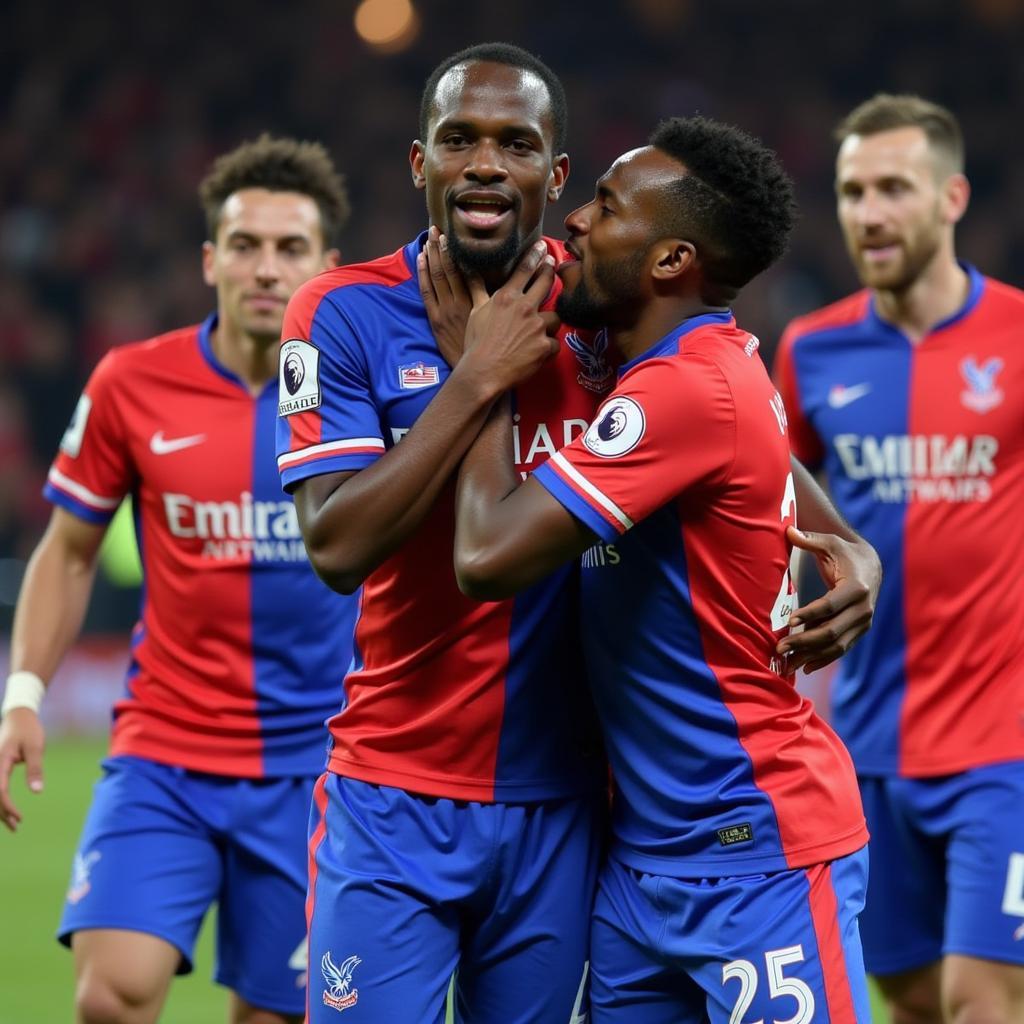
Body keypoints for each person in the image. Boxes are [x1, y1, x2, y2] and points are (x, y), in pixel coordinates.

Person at [278, 44, 879, 1023]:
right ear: (418, 162)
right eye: (458, 140)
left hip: (567, 804)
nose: (484, 164)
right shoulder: (342, 311)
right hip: (395, 785)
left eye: (514, 143)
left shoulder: (595, 300)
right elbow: (336, 548)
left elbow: (721, 415)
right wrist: (473, 380)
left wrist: (849, 540)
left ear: (553, 176)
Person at [445, 115, 874, 1021]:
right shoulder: (686, 365)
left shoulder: (685, 386)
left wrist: (479, 379)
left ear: (670, 262)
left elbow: (484, 557)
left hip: (760, 852)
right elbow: (754, 452)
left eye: (604, 206)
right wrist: (860, 549)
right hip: (641, 864)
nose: (574, 222)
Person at [0, 135, 354, 1024]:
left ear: (328, 266)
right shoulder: (132, 382)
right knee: (112, 996)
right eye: (245, 244)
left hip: (318, 763)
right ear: (210, 260)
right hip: (166, 749)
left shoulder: (365, 395)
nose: (266, 268)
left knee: (274, 1016)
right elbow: (69, 549)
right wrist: (23, 694)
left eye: (290, 248)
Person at [773, 94, 1024, 1024]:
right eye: (851, 191)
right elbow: (771, 515)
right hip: (868, 745)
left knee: (982, 998)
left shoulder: (1019, 336)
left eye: (894, 188)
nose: (869, 212)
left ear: (951, 196)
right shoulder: (811, 348)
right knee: (909, 1001)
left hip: (1004, 746)